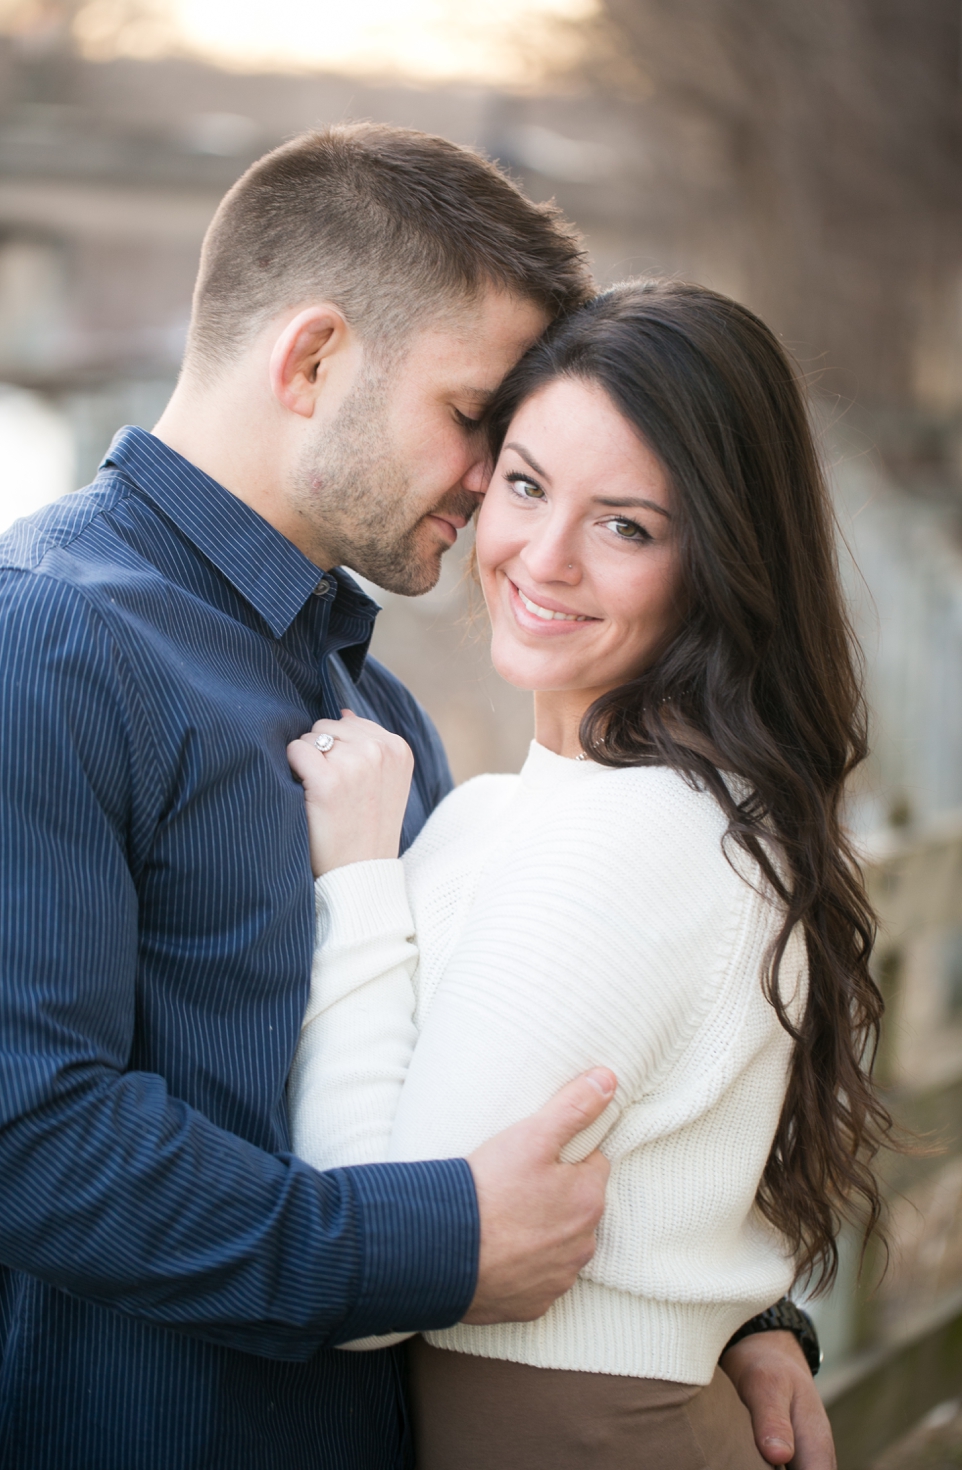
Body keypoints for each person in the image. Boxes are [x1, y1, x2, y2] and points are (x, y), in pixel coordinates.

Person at [0, 125, 829, 1470]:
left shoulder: (369, 703)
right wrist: (436, 1244)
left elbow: (501, 1065)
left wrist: (730, 1316)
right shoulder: (39, 641)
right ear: (314, 360)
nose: (494, 483)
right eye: (474, 420)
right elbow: (22, 1135)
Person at [287, 279, 893, 1466]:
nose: (541, 558)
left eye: (624, 525)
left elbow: (382, 1263)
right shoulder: (513, 814)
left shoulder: (636, 840)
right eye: (524, 485)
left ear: (716, 561)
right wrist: (753, 1323)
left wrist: (354, 880)